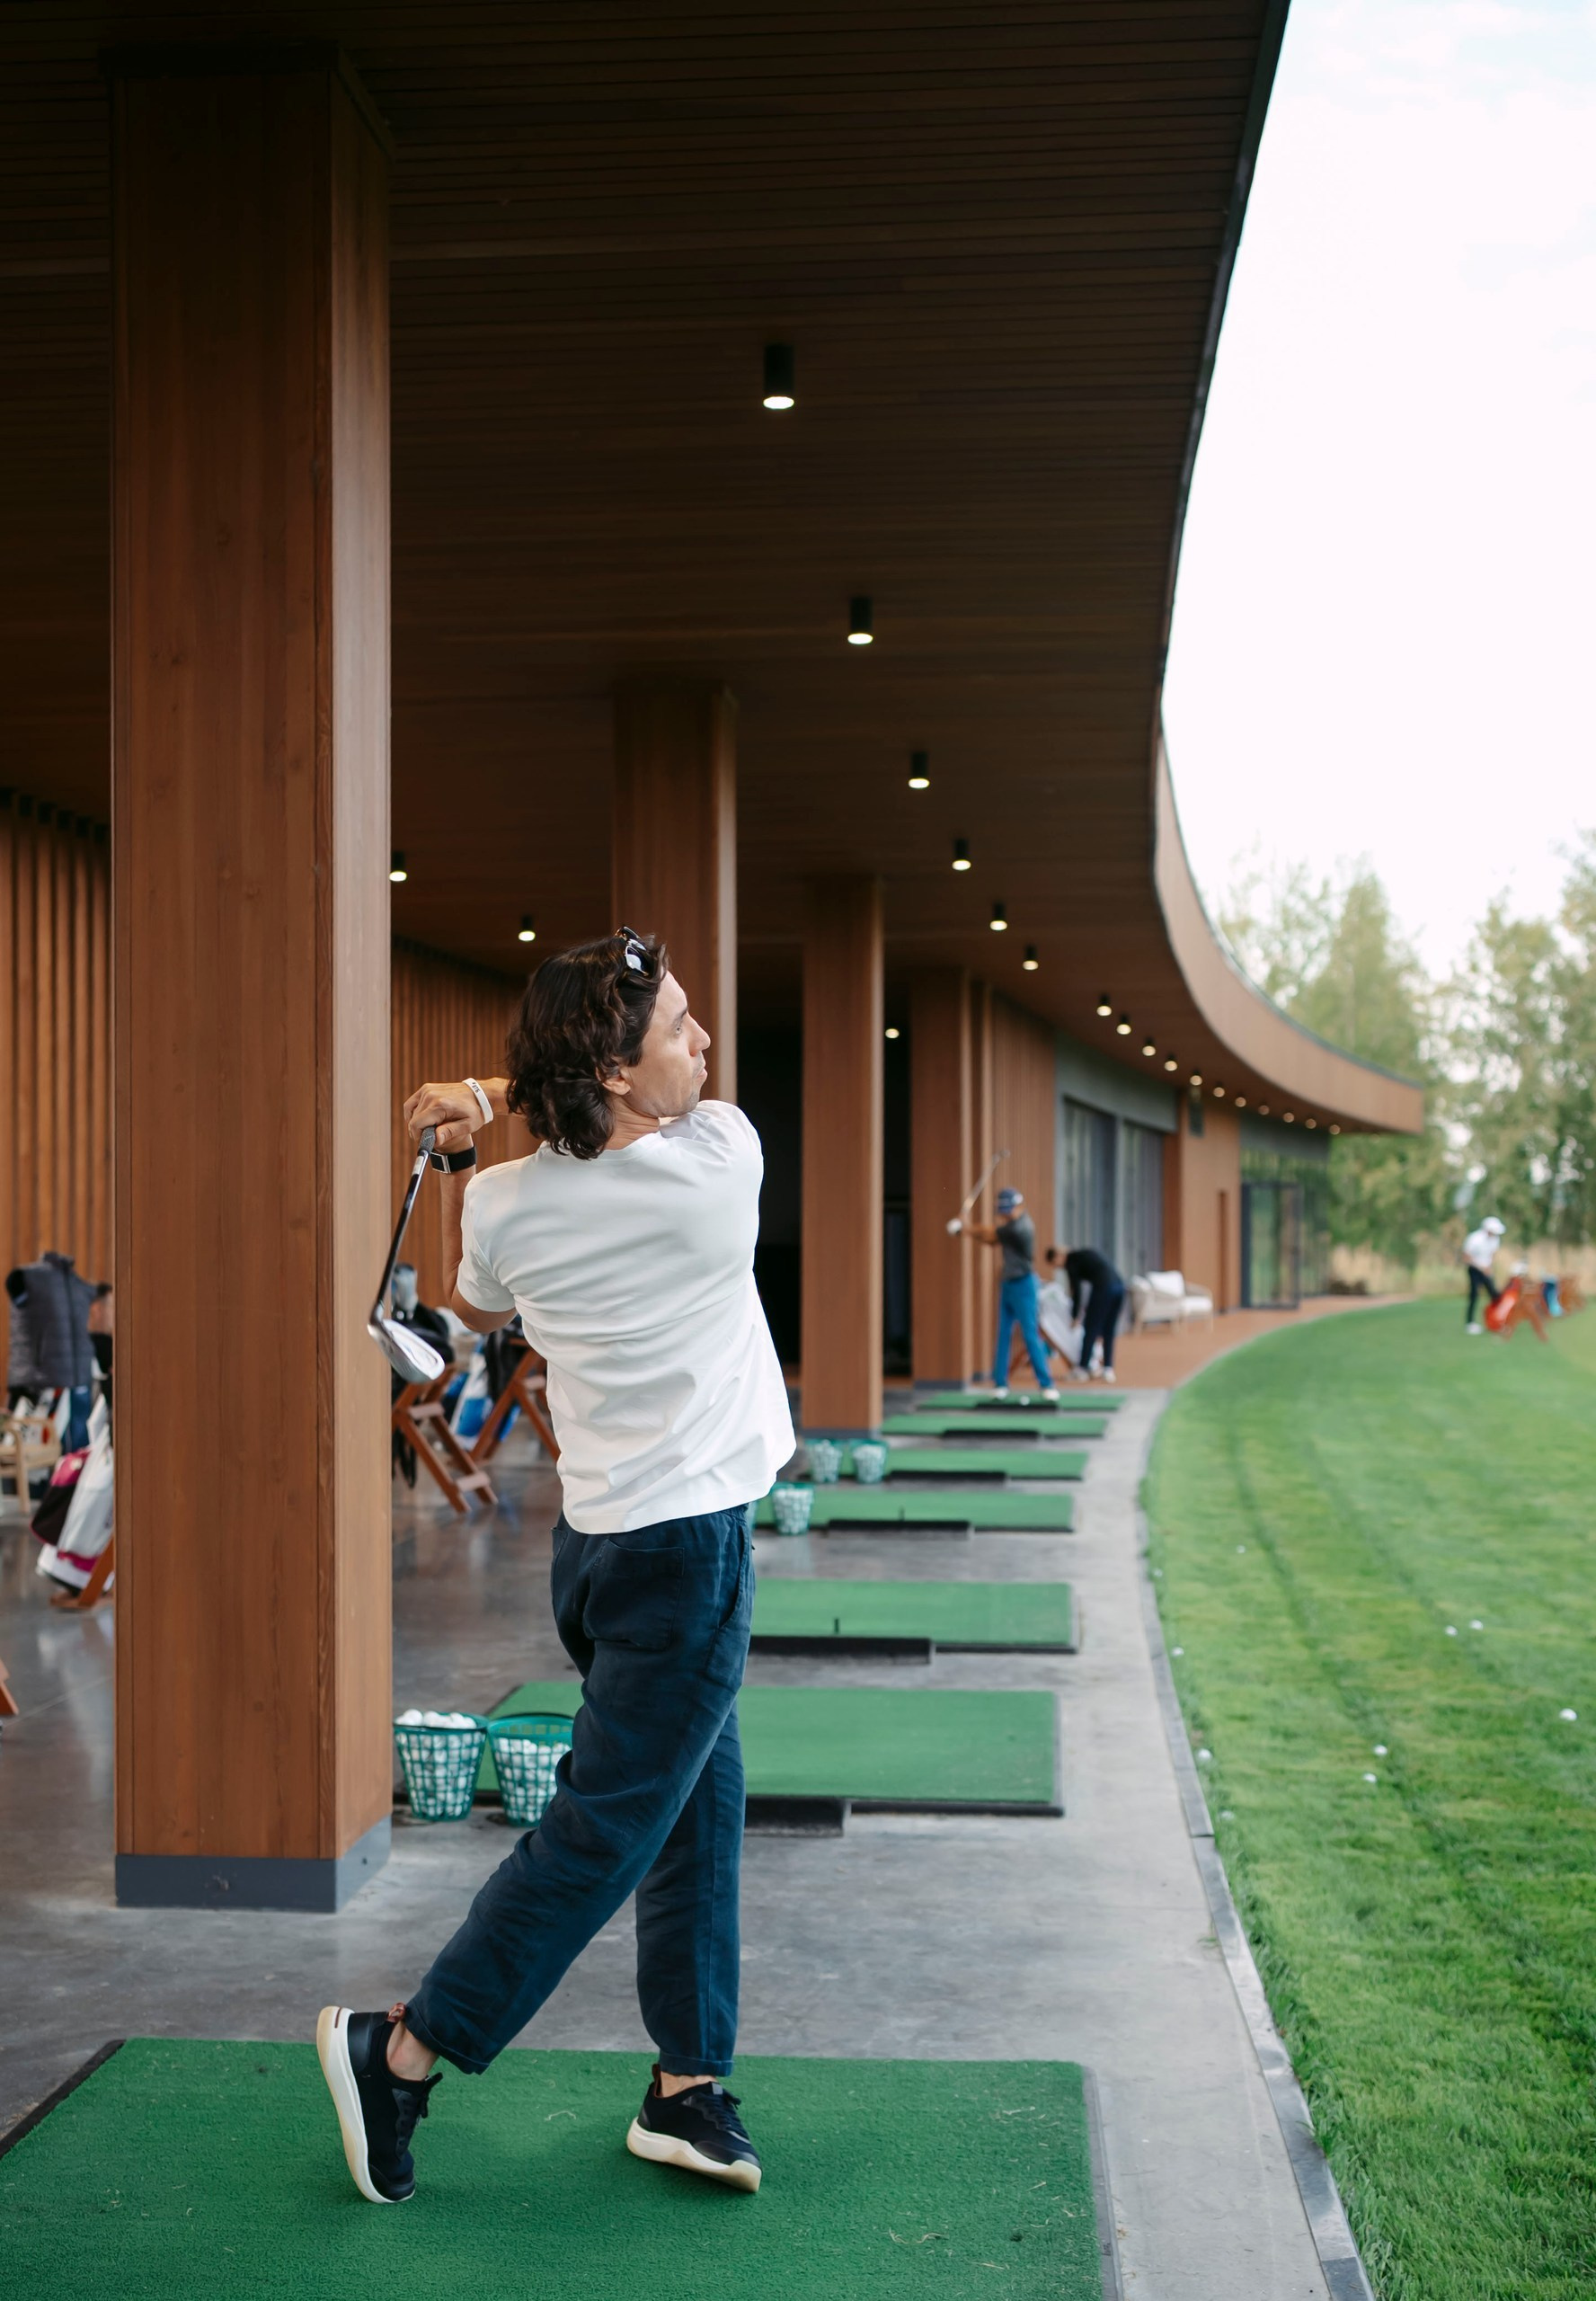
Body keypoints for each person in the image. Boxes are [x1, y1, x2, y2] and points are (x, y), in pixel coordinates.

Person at [318, 928, 794, 2208]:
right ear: (620, 1072)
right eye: (679, 1025)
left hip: (594, 1553)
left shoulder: (501, 1202)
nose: (704, 1041)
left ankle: (687, 2085)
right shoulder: (721, 1161)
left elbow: (478, 1306)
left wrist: (482, 1112)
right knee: (606, 1833)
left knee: (696, 1804)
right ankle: (403, 2051)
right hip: (690, 1554)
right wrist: (496, 1094)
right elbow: (608, 1111)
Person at [954, 1186, 1060, 1399]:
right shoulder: (1011, 1226)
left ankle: (1047, 1384)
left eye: (1008, 1209)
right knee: (1003, 1334)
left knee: (1030, 1334)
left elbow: (991, 1234)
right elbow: (992, 1240)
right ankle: (1000, 1383)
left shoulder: (1021, 1227)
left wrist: (964, 1228)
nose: (1005, 1213)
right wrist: (965, 1230)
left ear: (1019, 1206)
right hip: (1008, 1284)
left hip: (1025, 1285)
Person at [1051, 1243, 1126, 1385]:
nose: (1058, 1267)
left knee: (1091, 1328)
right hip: (1120, 1287)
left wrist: (1075, 1316)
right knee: (1109, 1329)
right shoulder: (1083, 1254)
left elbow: (1076, 1291)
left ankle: (1082, 1369)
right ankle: (1108, 1369)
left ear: (1058, 1257)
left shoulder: (1072, 1262)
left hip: (1104, 1288)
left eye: (1055, 1264)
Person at [1462, 1215, 1504, 1334]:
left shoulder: (1495, 1239)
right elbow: (1466, 1257)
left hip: (1487, 1269)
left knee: (1495, 1295)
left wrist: (1489, 1267)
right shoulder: (1474, 1239)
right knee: (1474, 1295)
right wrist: (1482, 1268)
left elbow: (1493, 1254)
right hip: (1474, 1269)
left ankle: (1497, 1320)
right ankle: (1470, 1323)